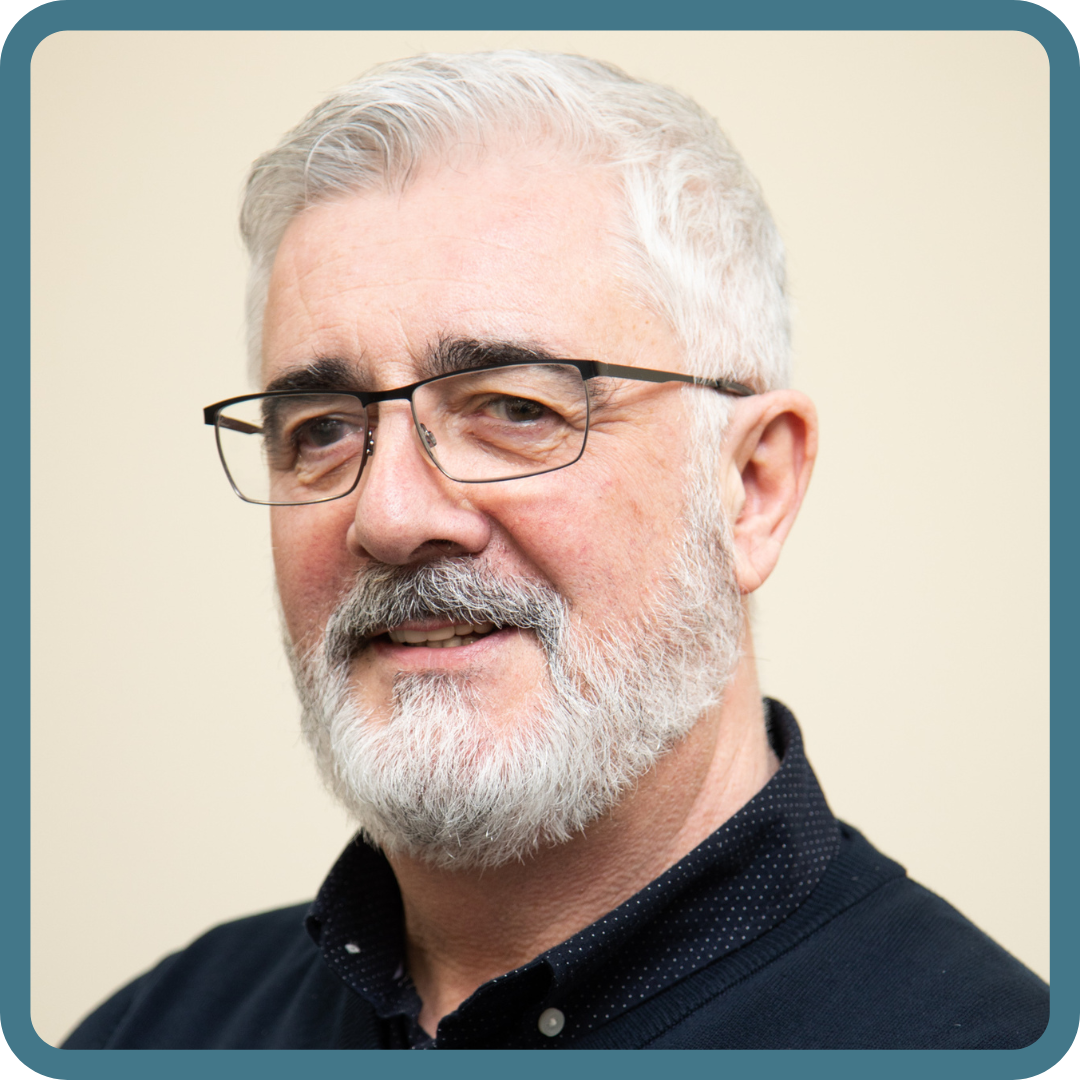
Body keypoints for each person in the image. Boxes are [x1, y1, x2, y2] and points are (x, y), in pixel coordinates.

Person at [63, 50, 1048, 1050]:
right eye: (321, 429)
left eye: (515, 408)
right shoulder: (149, 1039)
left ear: (752, 488)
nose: (391, 515)